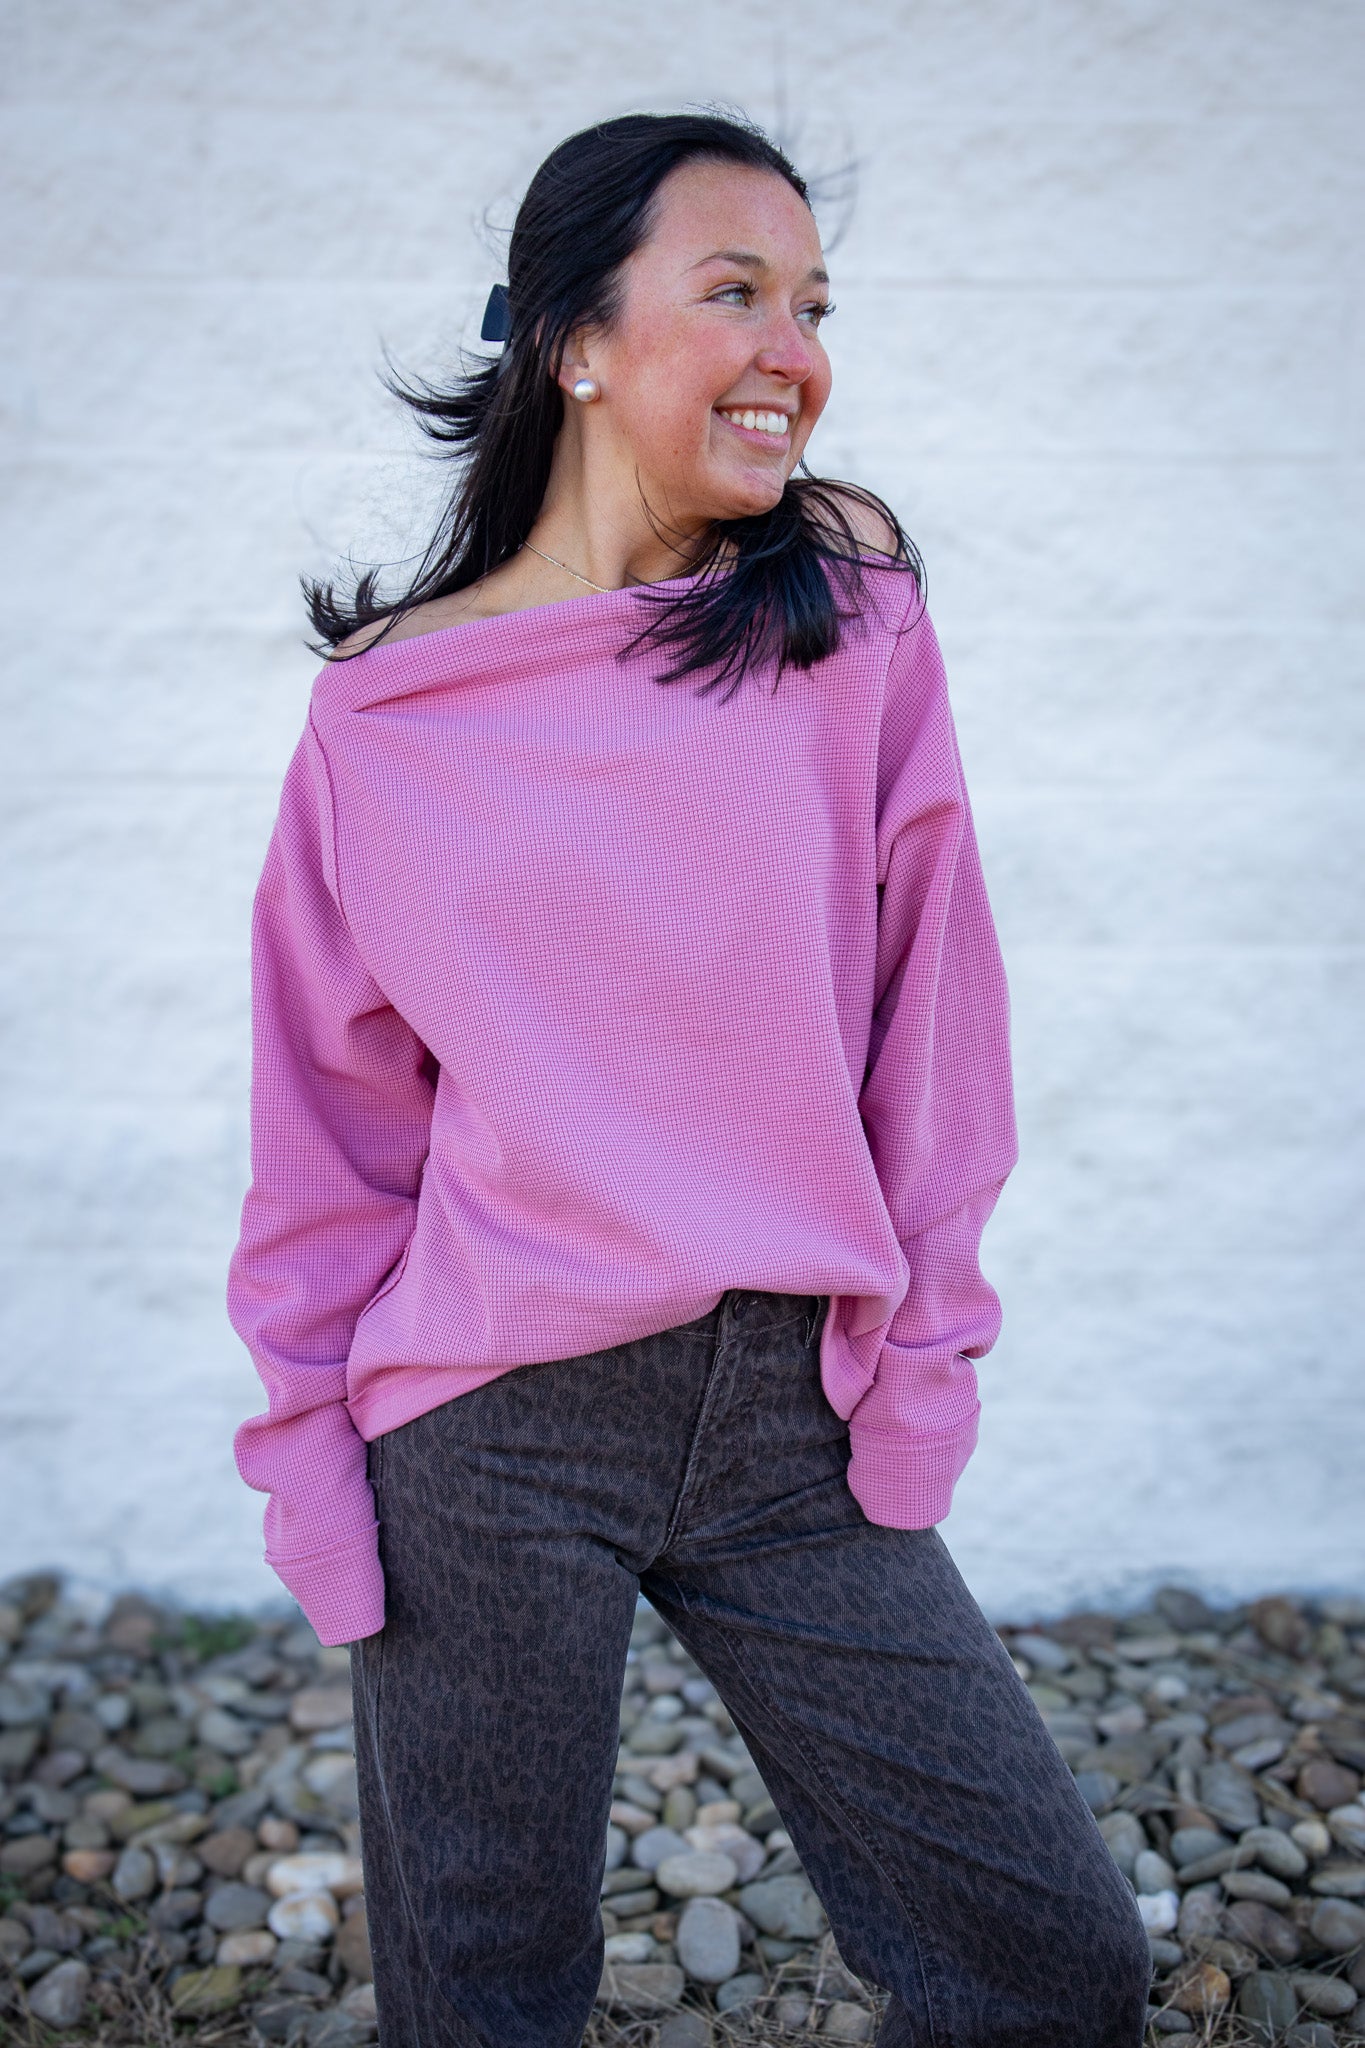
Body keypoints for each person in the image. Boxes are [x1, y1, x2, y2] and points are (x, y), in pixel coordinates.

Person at [226, 108, 1150, 2048]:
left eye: (810, 303)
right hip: (483, 1425)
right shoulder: (383, 711)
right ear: (571, 337)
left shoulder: (846, 612)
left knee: (1048, 1967)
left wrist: (919, 1365)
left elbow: (935, 1024)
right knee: (487, 2005)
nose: (791, 348)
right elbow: (330, 1132)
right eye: (731, 290)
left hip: (789, 1418)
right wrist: (312, 1457)